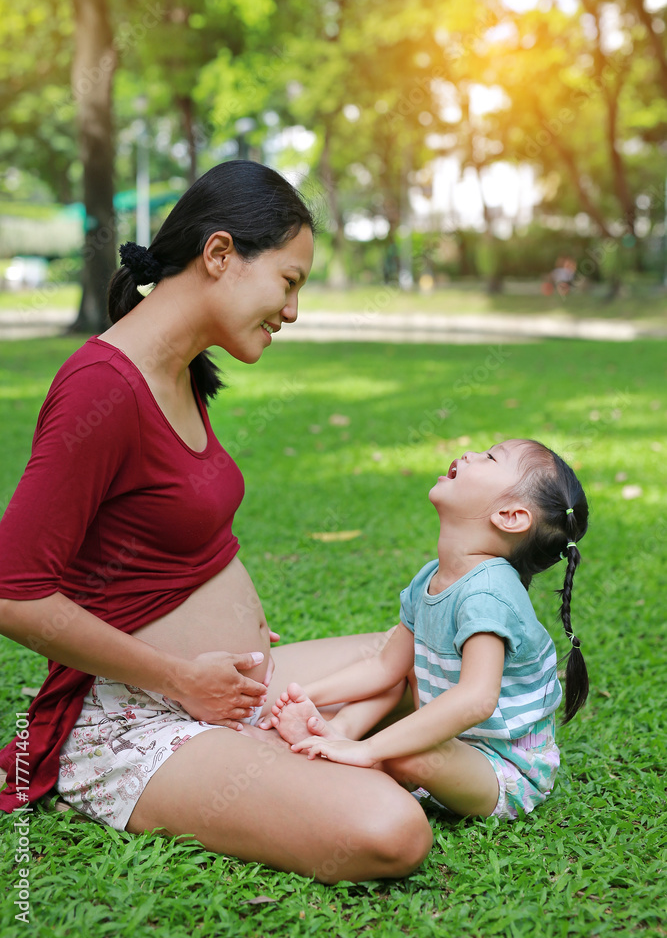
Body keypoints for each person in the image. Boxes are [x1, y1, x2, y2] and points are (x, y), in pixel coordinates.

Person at [0, 160, 432, 882]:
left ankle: (312, 746)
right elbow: (14, 593)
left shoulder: (181, 369)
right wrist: (179, 675)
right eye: (289, 282)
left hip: (229, 687)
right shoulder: (100, 389)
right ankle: (306, 758)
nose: (292, 311)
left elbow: (169, 539)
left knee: (420, 661)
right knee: (392, 831)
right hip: (137, 718)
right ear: (220, 254)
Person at [268, 439, 589, 821]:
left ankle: (354, 761)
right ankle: (338, 733)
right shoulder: (431, 578)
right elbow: (385, 668)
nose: (469, 453)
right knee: (404, 672)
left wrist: (372, 749)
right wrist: (305, 696)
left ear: (509, 516)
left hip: (501, 769)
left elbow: (476, 700)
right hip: (456, 741)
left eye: (490, 457)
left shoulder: (490, 593)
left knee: (405, 751)